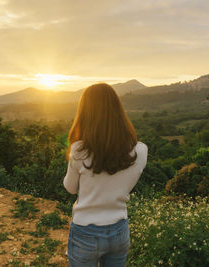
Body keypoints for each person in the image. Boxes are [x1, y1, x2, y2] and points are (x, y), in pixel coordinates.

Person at [63, 83, 148, 267]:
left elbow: (70, 189)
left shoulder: (79, 150)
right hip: (119, 230)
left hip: (86, 231)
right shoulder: (140, 151)